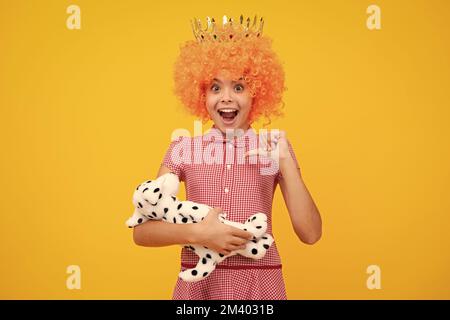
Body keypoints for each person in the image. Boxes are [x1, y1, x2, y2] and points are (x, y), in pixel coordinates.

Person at [132, 15, 322, 300]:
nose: (227, 98)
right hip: (198, 283)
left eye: (239, 86)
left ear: (257, 93)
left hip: (259, 286)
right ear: (200, 93)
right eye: (215, 87)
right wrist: (199, 234)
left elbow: (310, 233)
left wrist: (286, 164)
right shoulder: (182, 149)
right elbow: (143, 232)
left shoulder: (274, 148)